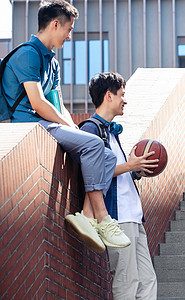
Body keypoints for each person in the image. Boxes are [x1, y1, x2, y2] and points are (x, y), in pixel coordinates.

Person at [1, 0, 130, 253]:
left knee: (105, 155)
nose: (69, 37)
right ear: (55, 24)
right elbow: (38, 103)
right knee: (94, 144)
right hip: (31, 126)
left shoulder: (53, 63)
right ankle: (102, 218)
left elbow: (58, 105)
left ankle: (86, 215)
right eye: (69, 30)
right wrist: (72, 130)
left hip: (49, 124)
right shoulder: (28, 53)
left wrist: (76, 130)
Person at [80, 72, 158, 299]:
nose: (125, 100)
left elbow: (114, 174)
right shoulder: (91, 129)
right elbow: (91, 174)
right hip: (117, 217)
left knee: (148, 280)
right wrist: (128, 165)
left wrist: (134, 170)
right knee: (127, 279)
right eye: (122, 94)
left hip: (134, 216)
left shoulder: (111, 132)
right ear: (109, 96)